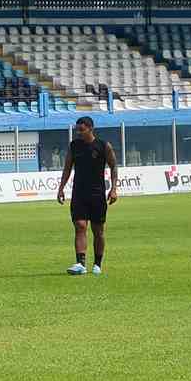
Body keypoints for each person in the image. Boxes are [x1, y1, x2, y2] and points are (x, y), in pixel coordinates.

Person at [56, 116, 118, 276]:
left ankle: (97, 263)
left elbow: (113, 167)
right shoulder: (74, 146)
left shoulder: (104, 146)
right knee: (80, 226)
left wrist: (114, 189)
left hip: (97, 194)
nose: (79, 133)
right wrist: (61, 188)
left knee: (98, 230)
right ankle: (80, 263)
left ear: (90, 128)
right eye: (77, 130)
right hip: (79, 193)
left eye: (81, 130)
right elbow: (67, 168)